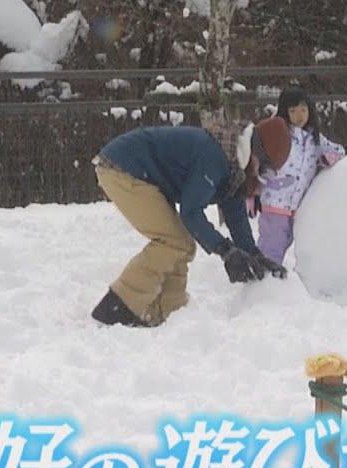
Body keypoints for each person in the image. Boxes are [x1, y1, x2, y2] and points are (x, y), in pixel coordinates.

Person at [91, 123, 286, 328]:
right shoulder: (214, 156)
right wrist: (225, 250)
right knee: (173, 241)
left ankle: (167, 312)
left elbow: (235, 211)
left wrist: (254, 254)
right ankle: (117, 308)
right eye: (263, 167)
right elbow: (191, 212)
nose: (262, 176)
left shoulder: (233, 165)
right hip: (123, 168)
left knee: (183, 243)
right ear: (256, 150)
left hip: (143, 175)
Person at [248, 88, 345, 265]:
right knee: (271, 246)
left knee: (284, 243)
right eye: (293, 111)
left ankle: (267, 276)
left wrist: (325, 159)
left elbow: (339, 151)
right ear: (285, 112)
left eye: (303, 110)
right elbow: (257, 162)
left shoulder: (314, 139)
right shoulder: (279, 135)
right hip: (274, 202)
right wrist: (253, 193)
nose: (299, 115)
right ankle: (264, 280)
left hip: (295, 207)